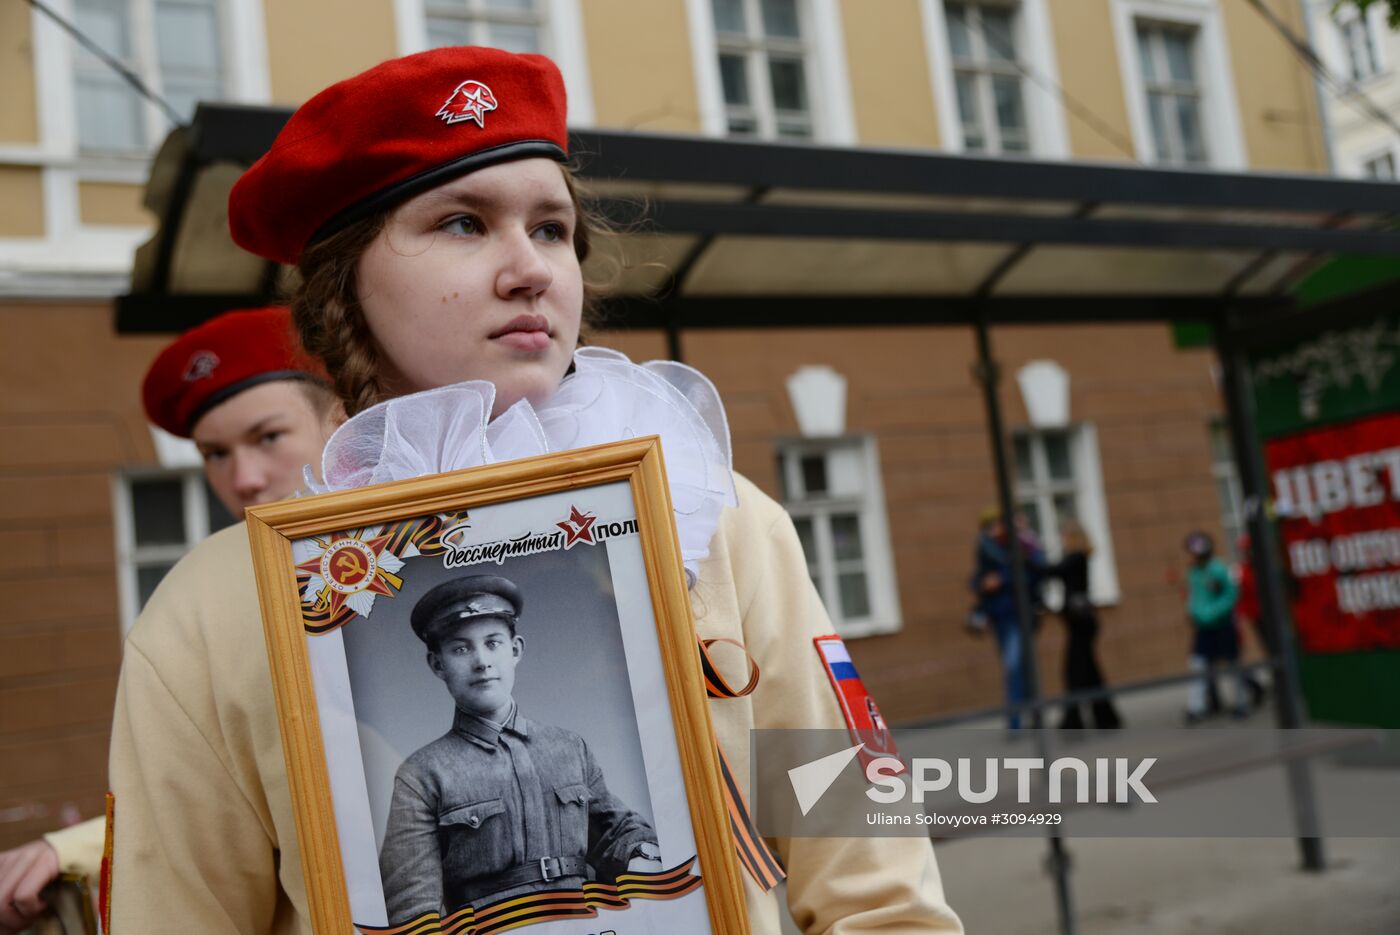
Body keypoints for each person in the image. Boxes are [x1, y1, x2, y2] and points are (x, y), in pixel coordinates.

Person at [106, 46, 962, 934]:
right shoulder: (209, 612)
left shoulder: (720, 516)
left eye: (551, 228)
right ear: (342, 291)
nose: (532, 269)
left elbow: (875, 880)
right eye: (464, 224)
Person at [0, 306, 339, 935]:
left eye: (268, 437)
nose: (242, 479)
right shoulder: (204, 604)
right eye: (214, 453)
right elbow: (218, 817)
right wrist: (68, 851)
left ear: (338, 417)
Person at [380, 575, 660, 922]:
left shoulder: (569, 749)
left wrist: (642, 864)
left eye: (493, 643)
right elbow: (412, 907)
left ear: (515, 651)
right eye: (461, 648)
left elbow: (618, 834)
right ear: (438, 664)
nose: (482, 661)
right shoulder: (422, 774)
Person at [1041, 522, 1121, 730]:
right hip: (1080, 623)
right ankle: (1104, 716)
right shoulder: (1076, 558)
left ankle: (1075, 718)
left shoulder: (1076, 558)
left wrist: (1027, 558)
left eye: (1065, 536)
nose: (1063, 540)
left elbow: (1053, 570)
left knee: (1074, 670)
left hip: (1081, 624)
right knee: (1089, 672)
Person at [1183, 530, 1249, 723]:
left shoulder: (1218, 569)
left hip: (1222, 624)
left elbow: (1231, 594)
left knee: (1232, 663)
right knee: (1198, 664)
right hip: (1203, 627)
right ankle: (1196, 707)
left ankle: (1240, 703)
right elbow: (1193, 596)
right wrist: (1193, 612)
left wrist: (1215, 612)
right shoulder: (1194, 572)